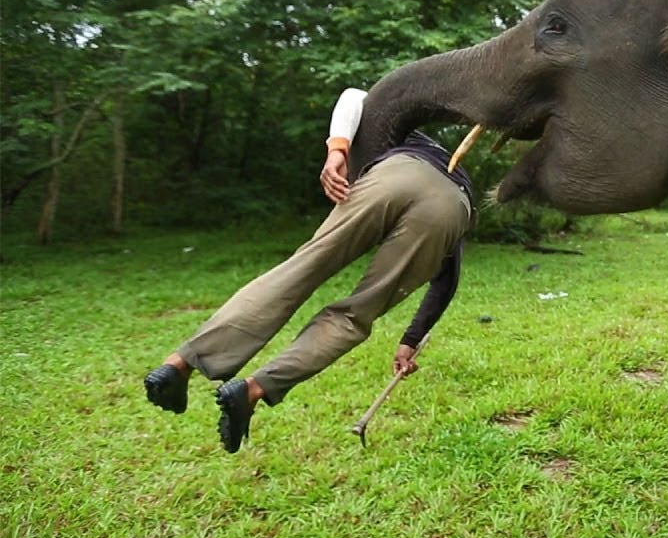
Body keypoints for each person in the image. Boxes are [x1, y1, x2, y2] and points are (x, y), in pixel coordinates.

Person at [143, 88, 474, 453]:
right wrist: (410, 340)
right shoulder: (424, 146)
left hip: (397, 173)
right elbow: (447, 279)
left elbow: (353, 96)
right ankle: (253, 390)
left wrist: (336, 151)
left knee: (299, 271)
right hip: (453, 206)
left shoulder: (385, 130)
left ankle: (180, 363)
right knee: (355, 316)